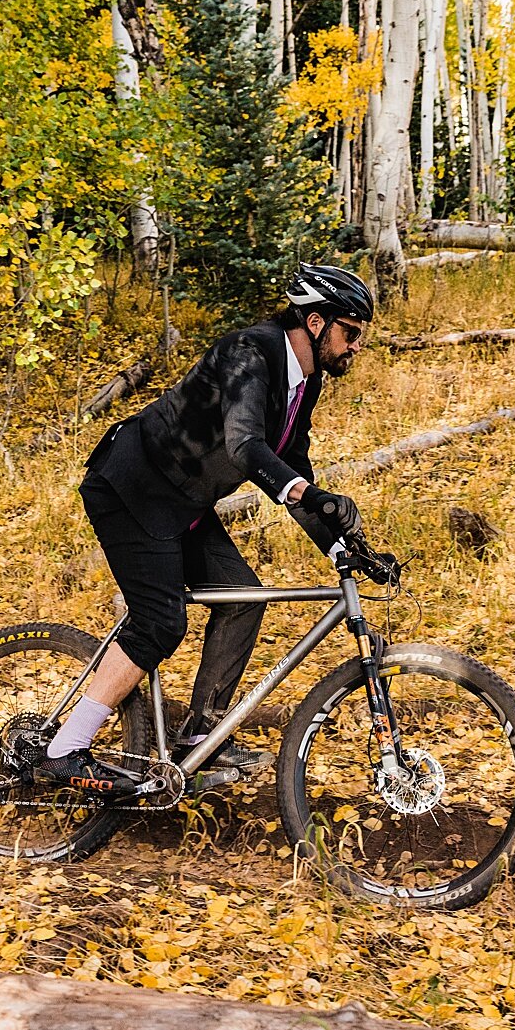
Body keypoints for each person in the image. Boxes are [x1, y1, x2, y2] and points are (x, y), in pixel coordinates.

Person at [34, 264, 379, 797]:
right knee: (160, 622)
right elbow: (245, 445)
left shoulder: (304, 380)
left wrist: (343, 544)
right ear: (316, 322)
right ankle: (64, 749)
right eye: (351, 332)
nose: (357, 346)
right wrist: (307, 494)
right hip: (132, 488)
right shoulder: (249, 353)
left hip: (183, 504)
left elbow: (292, 463)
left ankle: (201, 732)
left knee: (244, 597)